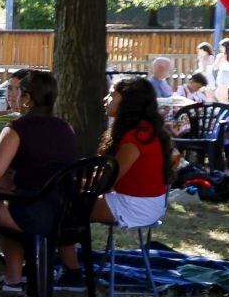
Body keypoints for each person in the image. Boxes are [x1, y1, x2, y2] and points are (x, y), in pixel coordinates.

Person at [0, 69, 77, 291]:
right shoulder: (65, 127)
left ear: (27, 98)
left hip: (31, 211)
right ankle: (13, 278)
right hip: (64, 211)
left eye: (19, 92)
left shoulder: (16, 129)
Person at [61, 77, 178, 285]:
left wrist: (70, 181)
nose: (105, 99)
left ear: (128, 101)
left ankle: (71, 273)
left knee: (61, 210)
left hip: (135, 205)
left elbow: (108, 180)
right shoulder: (145, 130)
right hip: (147, 203)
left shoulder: (137, 136)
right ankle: (67, 263)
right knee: (69, 205)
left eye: (112, 94)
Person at [211, 39, 229, 104]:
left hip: (223, 75)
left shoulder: (221, 56)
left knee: (218, 94)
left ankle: (225, 108)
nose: (220, 48)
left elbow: (215, 67)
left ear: (225, 47)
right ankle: (226, 108)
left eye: (221, 46)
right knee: (224, 95)